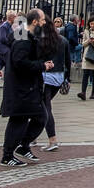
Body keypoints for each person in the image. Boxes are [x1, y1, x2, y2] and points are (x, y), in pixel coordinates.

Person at [0, 9, 50, 167]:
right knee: (19, 120)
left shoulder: (26, 36)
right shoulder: (23, 39)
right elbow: (20, 63)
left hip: (29, 87)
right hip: (21, 88)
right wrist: (42, 65)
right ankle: (7, 155)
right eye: (42, 20)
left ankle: (23, 146)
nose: (44, 23)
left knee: (41, 117)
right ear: (35, 21)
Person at [36, 15, 70, 151]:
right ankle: (33, 137)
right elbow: (68, 61)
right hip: (59, 76)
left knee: (45, 107)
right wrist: (67, 78)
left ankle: (53, 139)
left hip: (45, 76)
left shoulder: (42, 41)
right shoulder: (63, 40)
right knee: (41, 106)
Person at [0, 10, 16, 88]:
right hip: (4, 49)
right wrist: (12, 42)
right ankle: (8, 83)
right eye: (15, 16)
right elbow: (2, 39)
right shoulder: (4, 26)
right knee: (9, 66)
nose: (16, 18)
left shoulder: (8, 25)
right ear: (11, 18)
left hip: (3, 49)